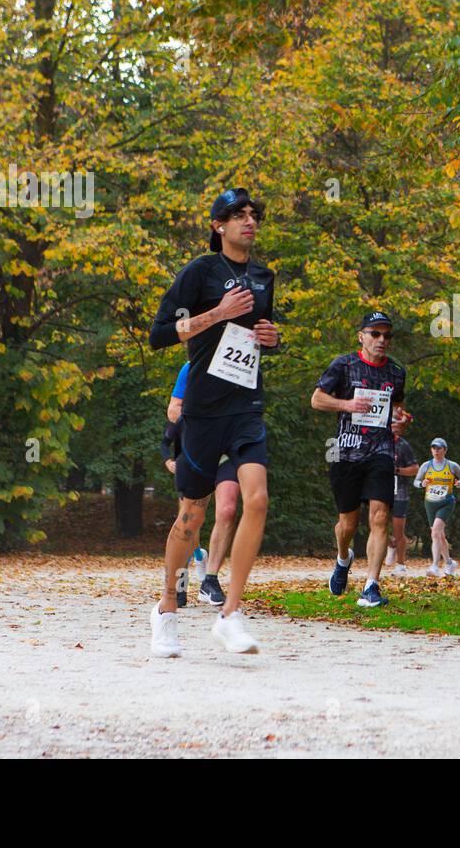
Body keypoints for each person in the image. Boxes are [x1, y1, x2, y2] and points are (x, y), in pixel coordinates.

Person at [147, 187, 280, 656]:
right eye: (237, 215)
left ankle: (230, 614)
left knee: (256, 499)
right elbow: (159, 335)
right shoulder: (199, 272)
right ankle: (165, 607)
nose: (249, 221)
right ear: (218, 226)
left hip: (246, 405)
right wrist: (216, 315)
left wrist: (271, 337)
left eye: (253, 215)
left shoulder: (264, 277)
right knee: (191, 515)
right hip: (202, 409)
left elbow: (260, 335)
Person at [311, 312, 408, 608]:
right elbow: (316, 399)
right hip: (346, 452)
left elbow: (398, 407)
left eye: (387, 335)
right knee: (347, 525)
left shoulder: (396, 372)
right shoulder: (344, 365)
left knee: (380, 517)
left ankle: (370, 587)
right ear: (361, 336)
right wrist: (347, 404)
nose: (382, 340)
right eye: (375, 334)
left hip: (381, 451)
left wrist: (399, 421)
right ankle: (343, 558)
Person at [162, 361, 238, 608]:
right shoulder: (192, 366)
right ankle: (179, 580)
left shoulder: (242, 363)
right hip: (196, 450)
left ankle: (211, 580)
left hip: (227, 451)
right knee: (190, 519)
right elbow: (172, 411)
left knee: (227, 510)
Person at [414, 438, 460, 577]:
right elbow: (416, 481)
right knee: (439, 535)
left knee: (435, 532)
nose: (436, 451)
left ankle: (435, 566)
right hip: (430, 503)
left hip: (446, 502)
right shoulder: (426, 466)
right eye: (433, 448)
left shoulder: (451, 465)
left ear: (445, 450)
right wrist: (422, 484)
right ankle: (449, 563)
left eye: (439, 448)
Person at [384, 416, 418, 576]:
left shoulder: (403, 445)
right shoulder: (378, 442)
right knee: (377, 526)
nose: (394, 428)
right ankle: (390, 546)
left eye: (397, 426)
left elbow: (415, 469)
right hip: (381, 489)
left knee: (398, 531)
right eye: (392, 425)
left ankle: (400, 564)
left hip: (400, 491)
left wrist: (397, 471)